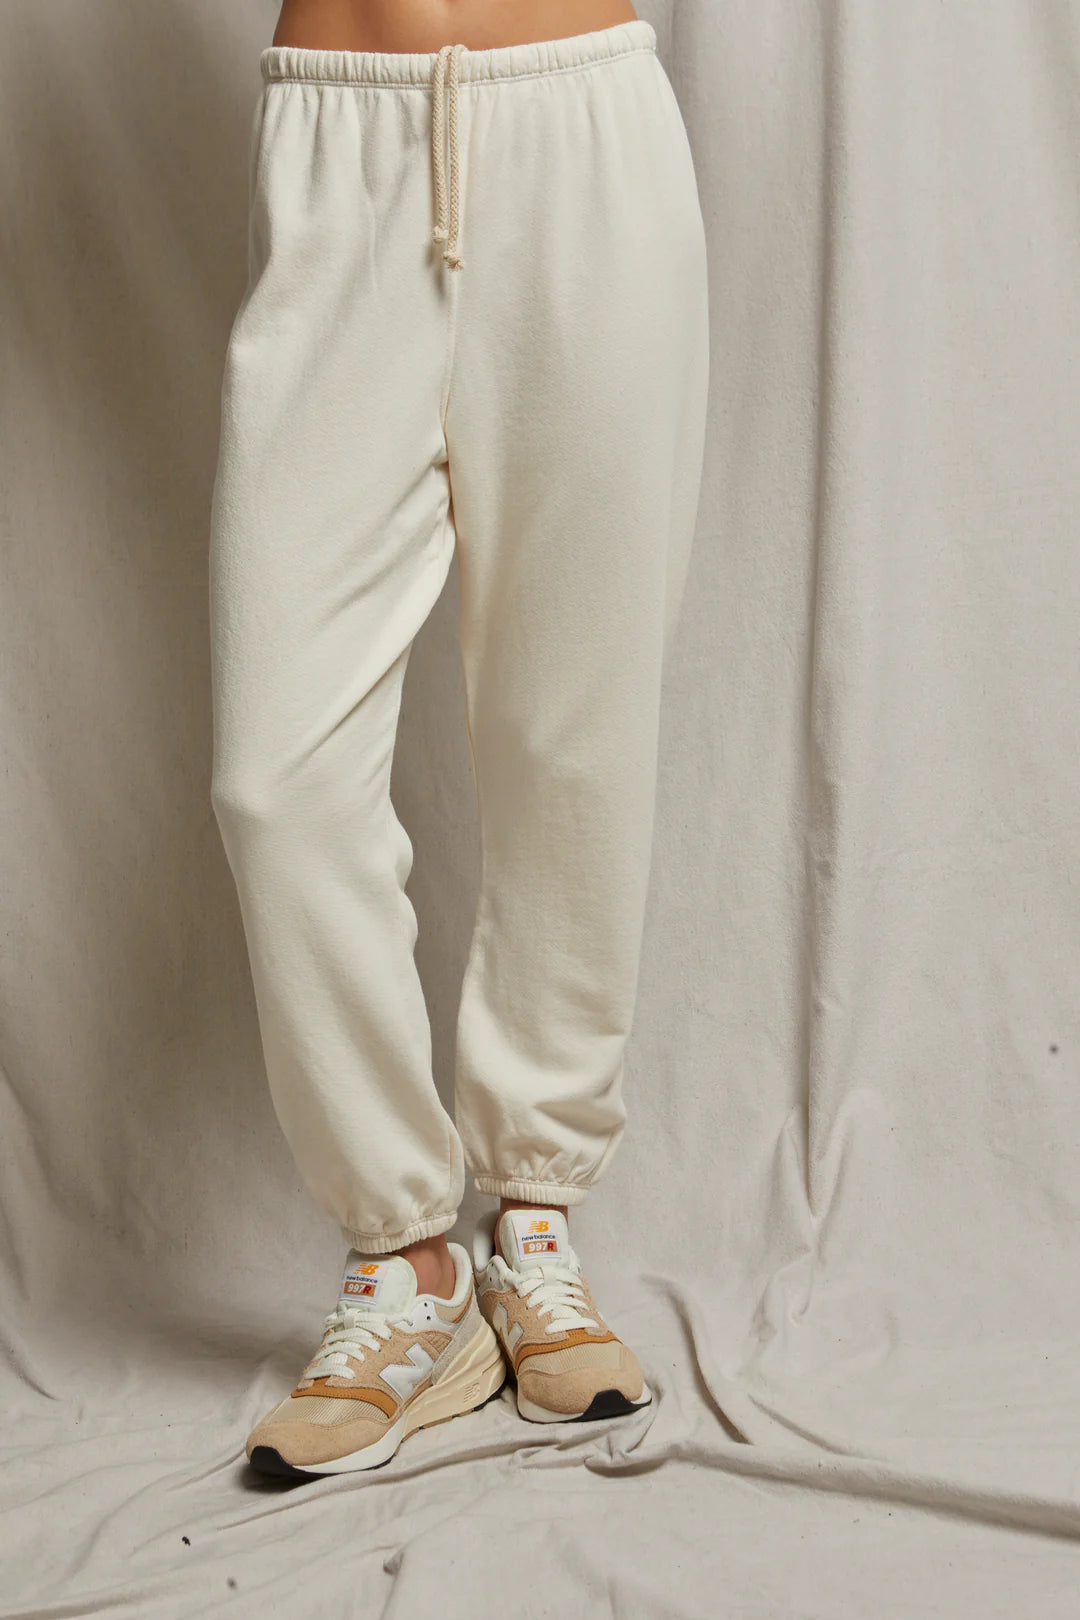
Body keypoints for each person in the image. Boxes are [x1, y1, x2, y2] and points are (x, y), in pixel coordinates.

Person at [207, 0, 709, 1478]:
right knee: (274, 780)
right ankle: (409, 1258)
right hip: (338, 141)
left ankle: (534, 1218)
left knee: (574, 744)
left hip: (586, 143)